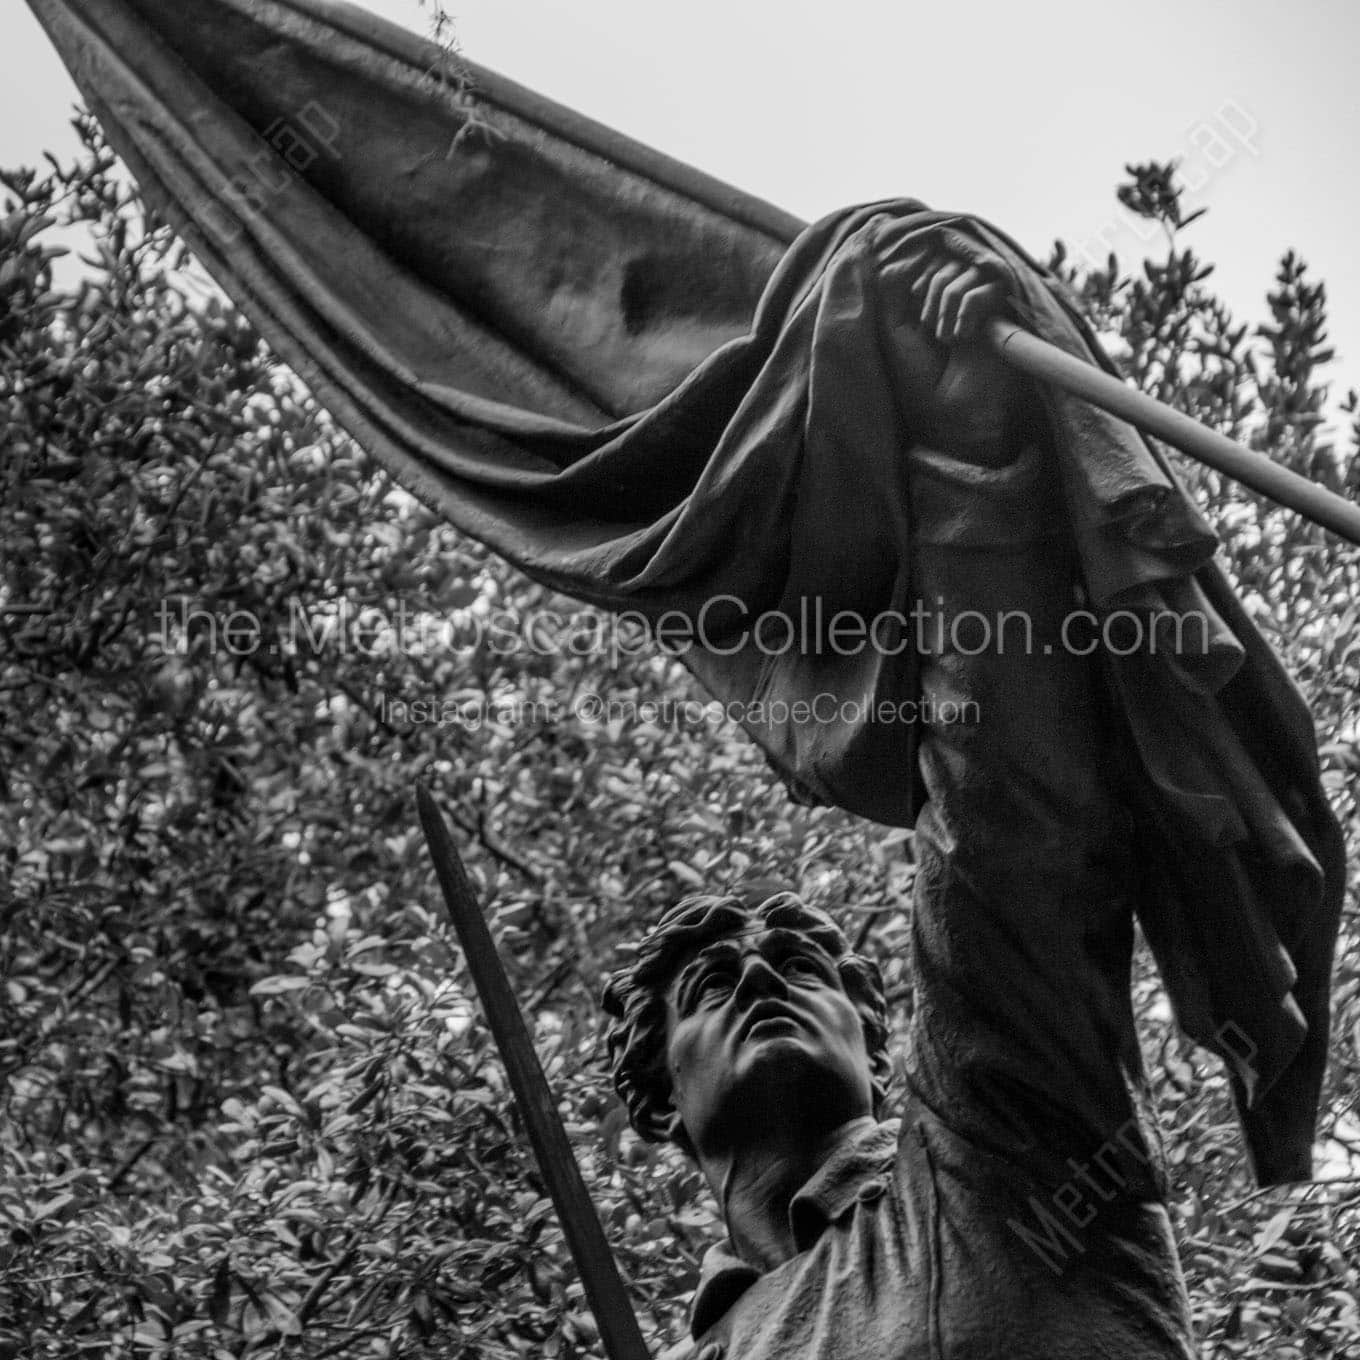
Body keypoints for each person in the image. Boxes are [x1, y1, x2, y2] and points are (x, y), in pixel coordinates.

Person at [602, 254, 1202, 1358]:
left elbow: (1010, 824)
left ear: (878, 1043)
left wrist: (967, 454)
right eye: (709, 981)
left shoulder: (1005, 1154)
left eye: (795, 965)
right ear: (652, 1106)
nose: (754, 977)